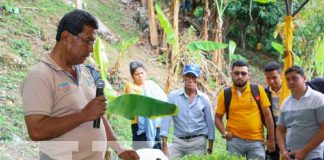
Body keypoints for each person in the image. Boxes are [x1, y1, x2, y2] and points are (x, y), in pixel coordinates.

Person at [21, 10, 139, 160]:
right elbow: (36, 131)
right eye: (87, 41)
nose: (90, 49)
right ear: (66, 37)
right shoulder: (40, 76)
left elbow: (97, 114)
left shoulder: (84, 71)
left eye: (93, 43)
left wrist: (119, 148)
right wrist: (83, 115)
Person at [215, 60, 275, 160]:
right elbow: (217, 118)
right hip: (234, 141)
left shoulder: (258, 90)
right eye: (236, 73)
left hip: (256, 142)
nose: (240, 76)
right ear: (231, 74)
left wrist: (271, 140)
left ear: (248, 75)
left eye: (243, 73)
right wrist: (224, 133)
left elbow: (268, 116)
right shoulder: (225, 94)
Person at [160, 64, 215, 159]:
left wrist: (210, 148)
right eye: (188, 76)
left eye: (193, 77)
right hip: (178, 141)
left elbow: (210, 124)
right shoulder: (173, 96)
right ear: (183, 77)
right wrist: (164, 146)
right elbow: (166, 121)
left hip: (198, 142)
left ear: (198, 79)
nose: (190, 80)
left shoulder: (204, 99)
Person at [276, 65, 324, 160]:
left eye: (294, 78)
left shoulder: (318, 99)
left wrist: (304, 151)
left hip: (313, 156)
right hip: (291, 156)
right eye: (288, 79)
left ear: (304, 78)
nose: (291, 82)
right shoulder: (285, 103)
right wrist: (283, 151)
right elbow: (279, 130)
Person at [124, 60, 167, 150]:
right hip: (139, 125)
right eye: (137, 74)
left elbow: (163, 99)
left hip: (155, 123)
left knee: (156, 150)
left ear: (145, 73)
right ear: (132, 76)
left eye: (142, 73)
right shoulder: (130, 87)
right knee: (141, 150)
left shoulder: (152, 85)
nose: (140, 76)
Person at [263, 61, 283, 160]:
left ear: (281, 75)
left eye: (274, 77)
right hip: (273, 134)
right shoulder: (264, 94)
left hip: (291, 133)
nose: (271, 81)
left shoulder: (290, 91)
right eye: (268, 78)